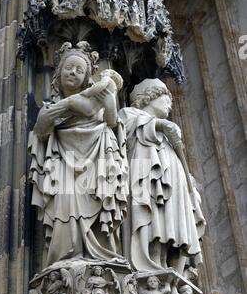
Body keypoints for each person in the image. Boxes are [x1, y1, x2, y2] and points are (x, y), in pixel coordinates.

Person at [28, 42, 128, 267]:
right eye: (68, 68)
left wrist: (110, 104)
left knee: (100, 207)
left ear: (86, 77)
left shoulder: (96, 103)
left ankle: (102, 258)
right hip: (64, 163)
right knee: (65, 212)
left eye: (79, 70)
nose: (73, 73)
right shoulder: (50, 107)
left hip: (97, 161)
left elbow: (112, 123)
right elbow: (41, 126)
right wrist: (72, 102)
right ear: (58, 73)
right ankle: (65, 260)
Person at [119, 78, 205, 274]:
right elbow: (123, 127)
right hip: (148, 176)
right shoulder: (130, 114)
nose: (169, 104)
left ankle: (171, 268)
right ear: (148, 98)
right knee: (154, 221)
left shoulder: (166, 133)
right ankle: (151, 264)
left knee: (172, 224)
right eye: (165, 99)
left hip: (171, 180)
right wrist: (159, 125)